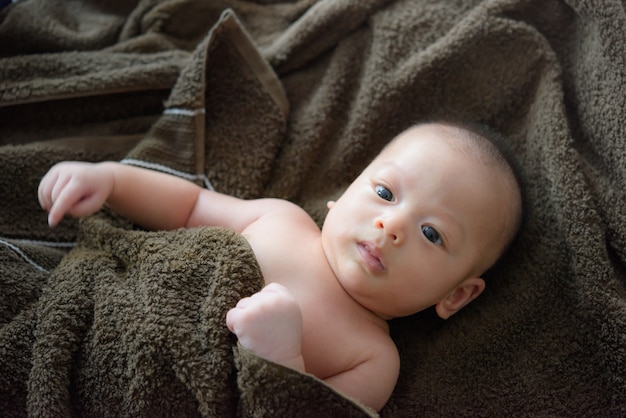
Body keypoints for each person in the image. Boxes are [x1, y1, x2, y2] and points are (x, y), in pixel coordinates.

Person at [38, 121, 523, 412]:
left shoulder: (373, 360)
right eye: (384, 193)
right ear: (342, 195)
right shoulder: (282, 219)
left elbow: (305, 410)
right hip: (105, 324)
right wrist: (111, 181)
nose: (391, 225)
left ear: (456, 294)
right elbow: (188, 207)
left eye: (432, 234)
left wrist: (280, 358)